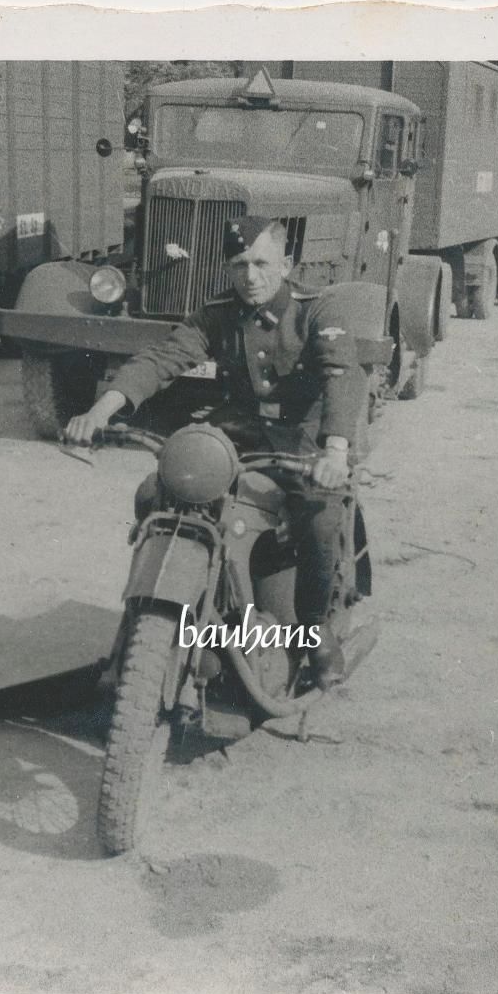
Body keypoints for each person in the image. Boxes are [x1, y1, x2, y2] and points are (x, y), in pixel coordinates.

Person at [64, 216, 366, 687]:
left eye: (262, 263)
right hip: (240, 430)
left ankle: (314, 629)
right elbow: (163, 358)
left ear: (286, 265)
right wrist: (101, 411)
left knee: (318, 516)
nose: (251, 276)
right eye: (240, 264)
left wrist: (335, 450)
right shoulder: (219, 311)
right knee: (159, 491)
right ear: (228, 269)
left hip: (304, 440)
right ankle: (161, 610)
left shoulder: (316, 310)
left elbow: (341, 375)